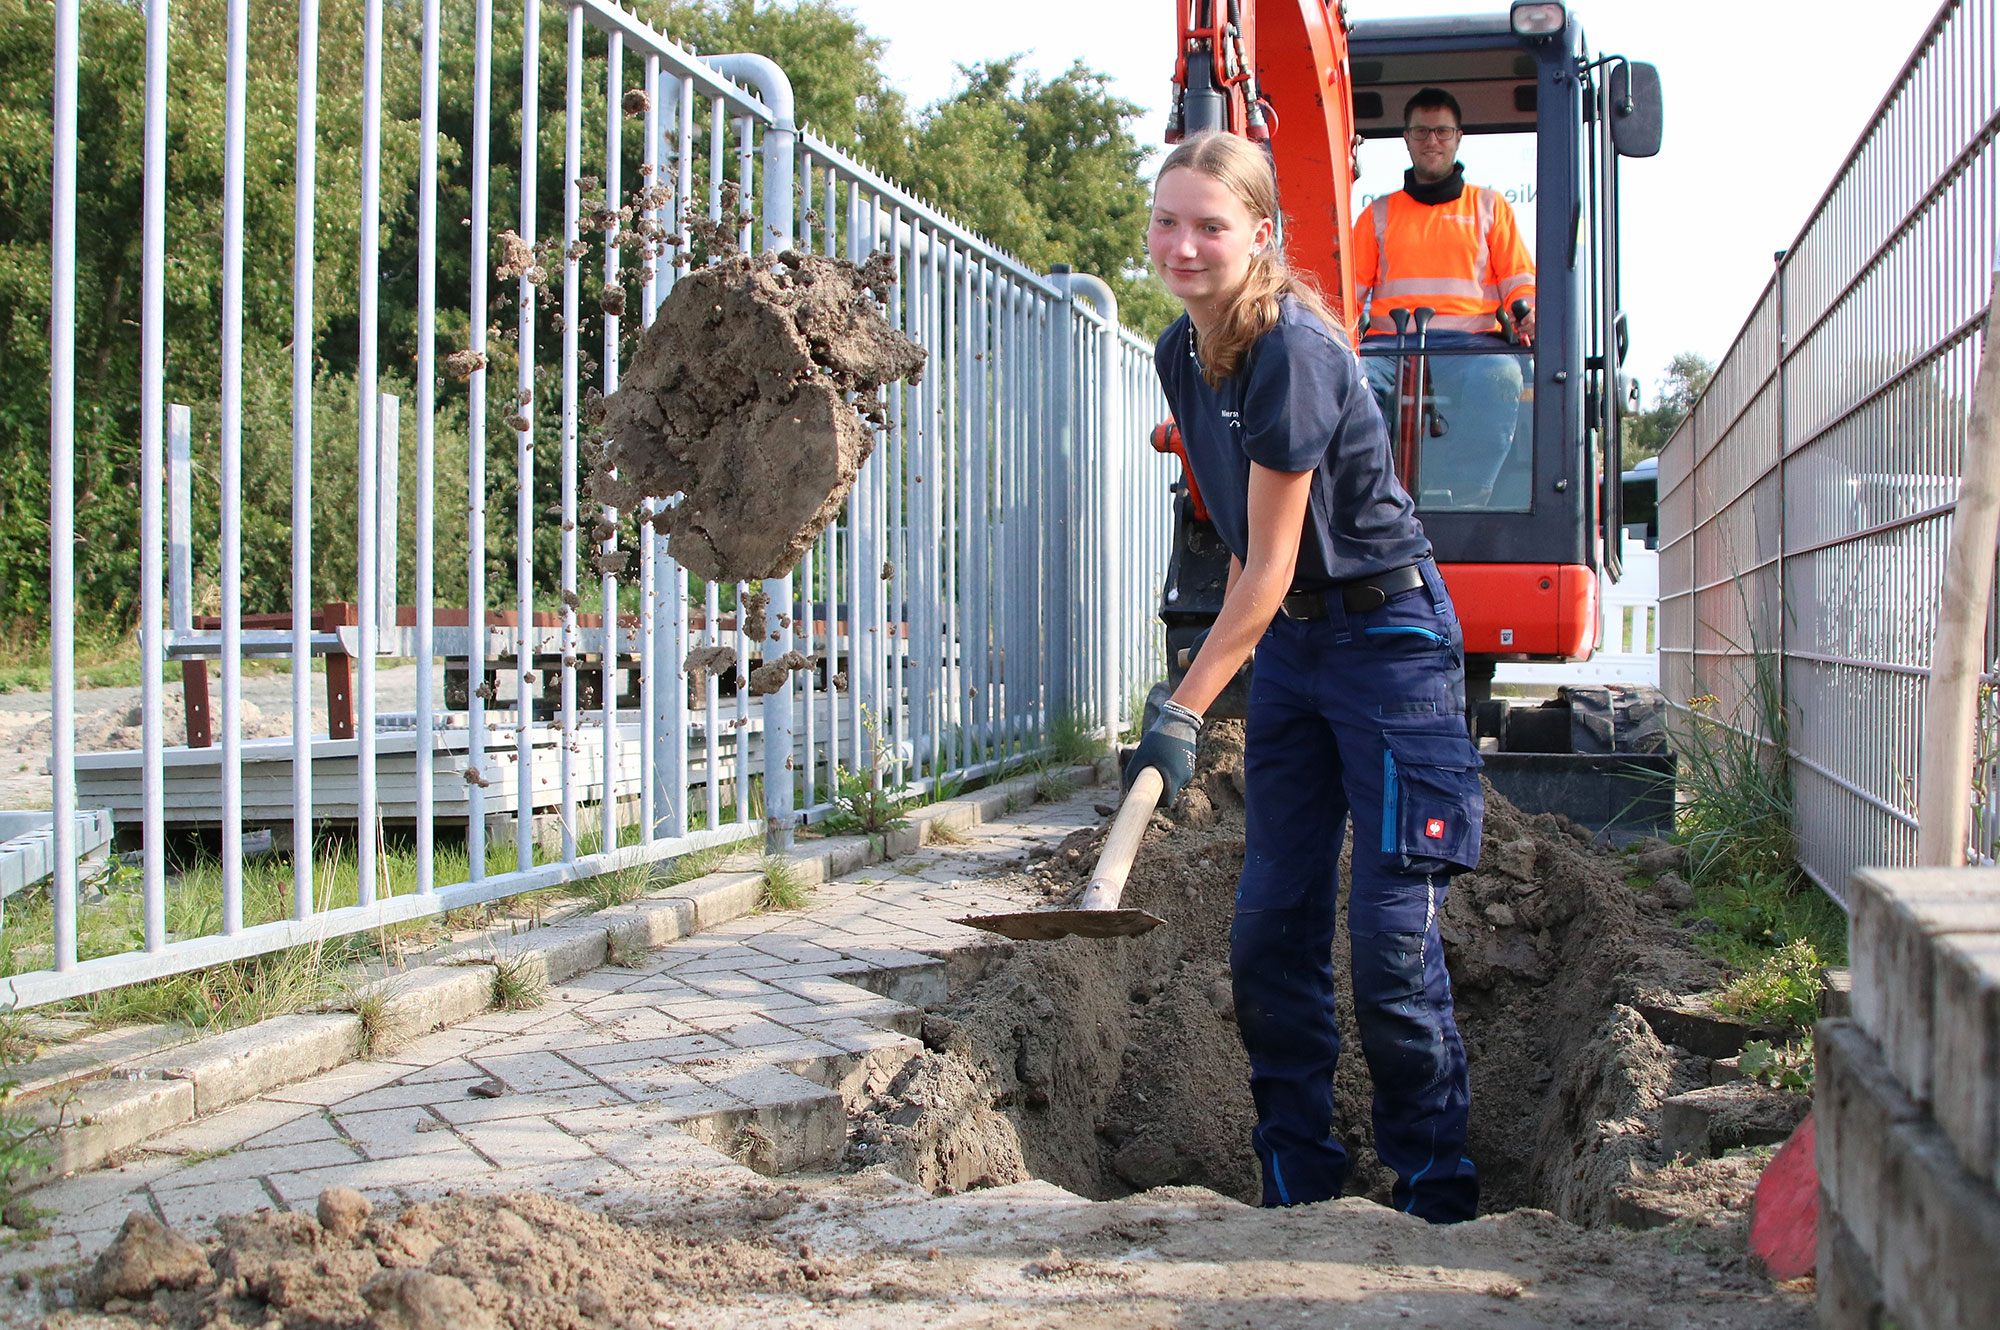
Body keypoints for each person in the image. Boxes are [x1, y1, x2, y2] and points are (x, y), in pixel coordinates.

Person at [1131, 130, 1483, 1223]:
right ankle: (1296, 1187)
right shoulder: (1178, 357)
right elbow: (1245, 540)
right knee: (1267, 935)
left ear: (1260, 236)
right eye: (1166, 221)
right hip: (1290, 650)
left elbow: (1276, 561)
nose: (1184, 245)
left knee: (1386, 949)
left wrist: (1180, 705)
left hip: (1388, 647)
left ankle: (1435, 1197)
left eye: (1210, 225)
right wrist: (1198, 689)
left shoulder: (1296, 351)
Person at [1352, 87, 1536, 508]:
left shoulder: (1490, 208)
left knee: (1500, 377)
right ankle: (1369, 496)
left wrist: (1529, 312)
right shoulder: (1377, 215)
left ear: (1457, 137)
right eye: (1421, 131)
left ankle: (1467, 496)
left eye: (1441, 131)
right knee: (1348, 380)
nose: (1431, 140)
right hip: (1390, 350)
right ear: (1406, 138)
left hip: (1469, 349)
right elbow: (1348, 296)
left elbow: (1519, 281)